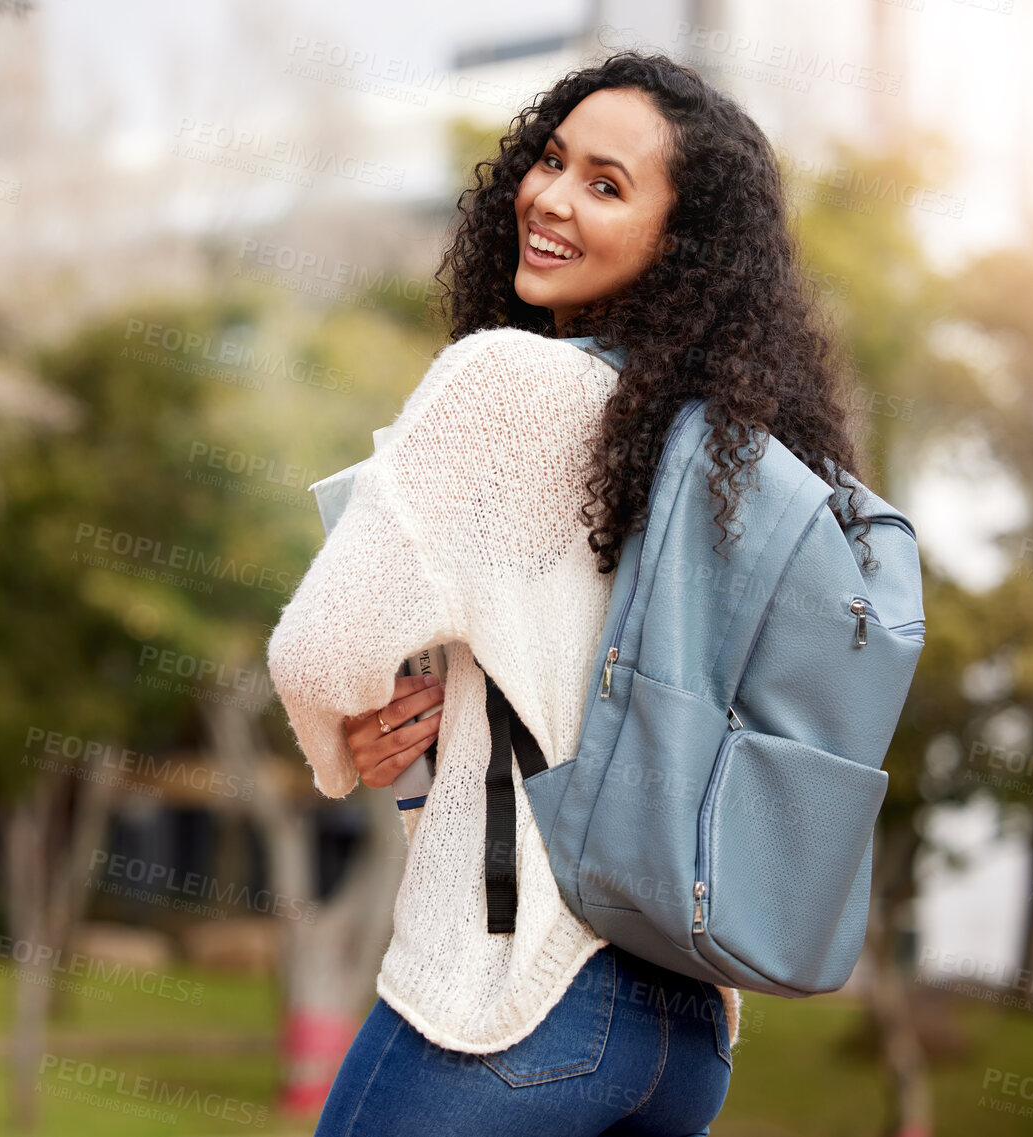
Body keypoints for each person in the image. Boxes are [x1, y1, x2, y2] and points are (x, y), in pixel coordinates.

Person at [265, 50, 872, 1137]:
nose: (546, 198)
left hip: (507, 1001)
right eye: (549, 161)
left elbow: (320, 652)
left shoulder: (503, 384)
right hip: (683, 1035)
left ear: (674, 242)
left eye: (605, 184)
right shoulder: (734, 452)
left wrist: (343, 744)